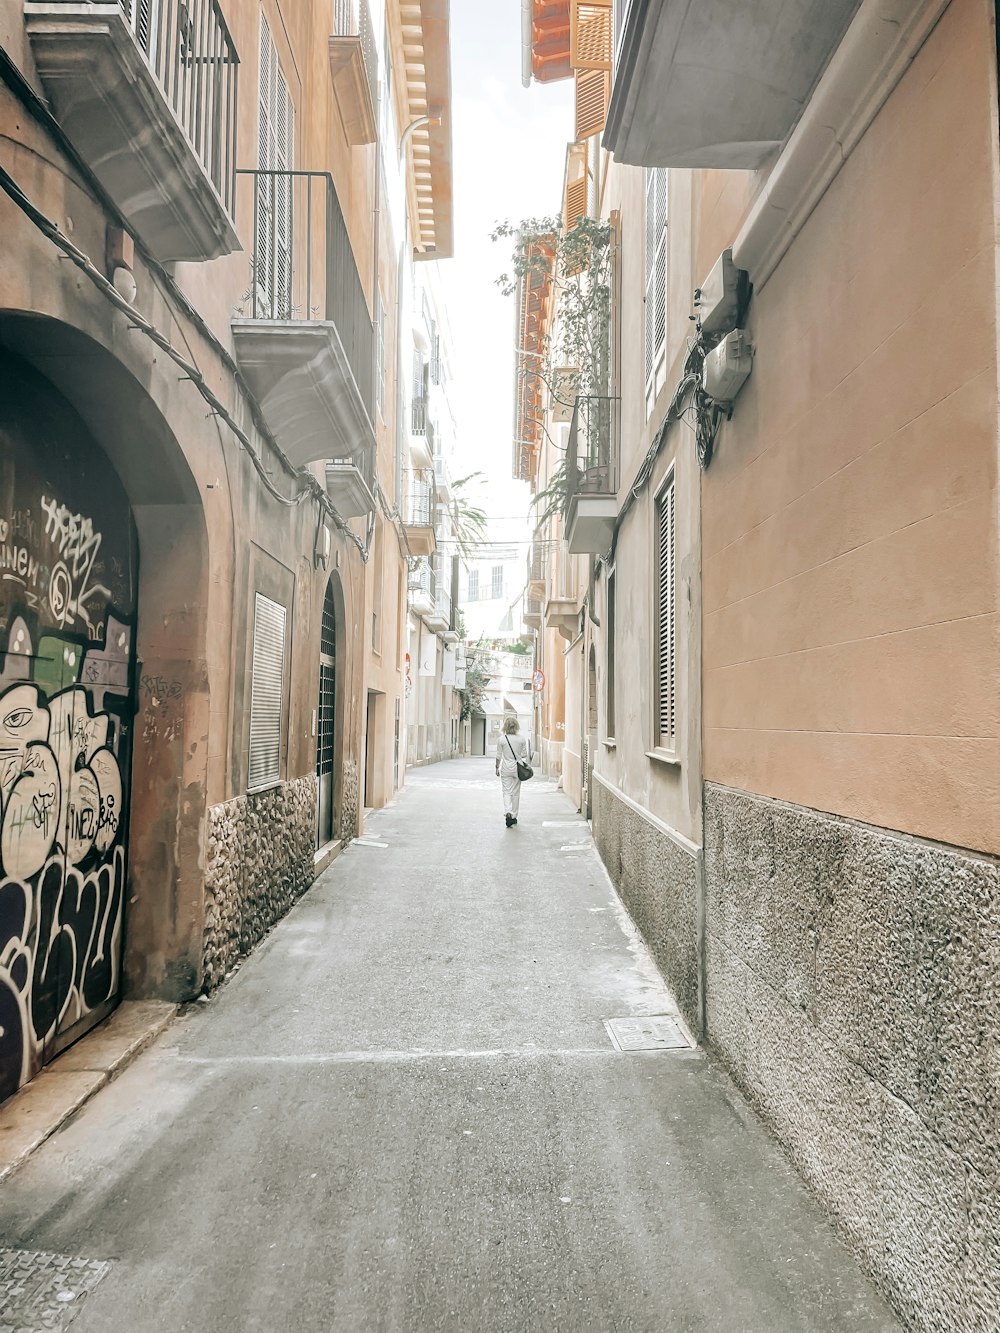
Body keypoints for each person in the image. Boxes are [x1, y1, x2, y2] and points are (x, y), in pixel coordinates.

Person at [496, 714, 532, 828]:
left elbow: (498, 756)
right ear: (516, 726)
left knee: (506, 791)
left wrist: (496, 767)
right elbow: (524, 754)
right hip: (518, 768)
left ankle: (508, 812)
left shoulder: (502, 739)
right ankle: (514, 816)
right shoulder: (521, 739)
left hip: (506, 768)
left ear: (505, 727)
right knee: (516, 793)